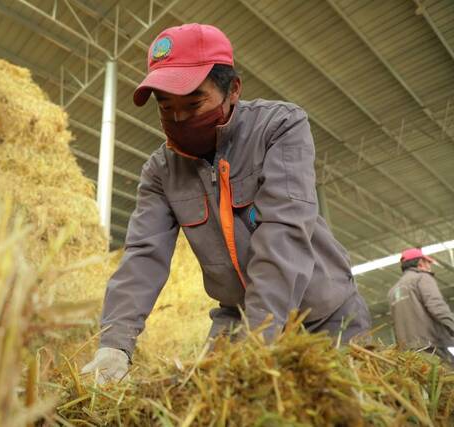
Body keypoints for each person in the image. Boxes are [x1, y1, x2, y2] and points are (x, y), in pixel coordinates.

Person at [81, 23, 371, 384]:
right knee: (199, 403)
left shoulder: (278, 126)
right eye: (166, 107)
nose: (179, 119)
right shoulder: (160, 170)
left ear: (233, 89)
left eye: (193, 103)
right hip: (236, 317)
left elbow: (284, 230)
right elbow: (143, 256)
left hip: (324, 317)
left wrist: (258, 343)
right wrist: (114, 345)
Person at [388, 248, 454, 364]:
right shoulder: (422, 278)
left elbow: (394, 323)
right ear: (420, 262)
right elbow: (437, 307)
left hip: (408, 353)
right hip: (431, 346)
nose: (430, 265)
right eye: (428, 262)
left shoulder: (393, 291)